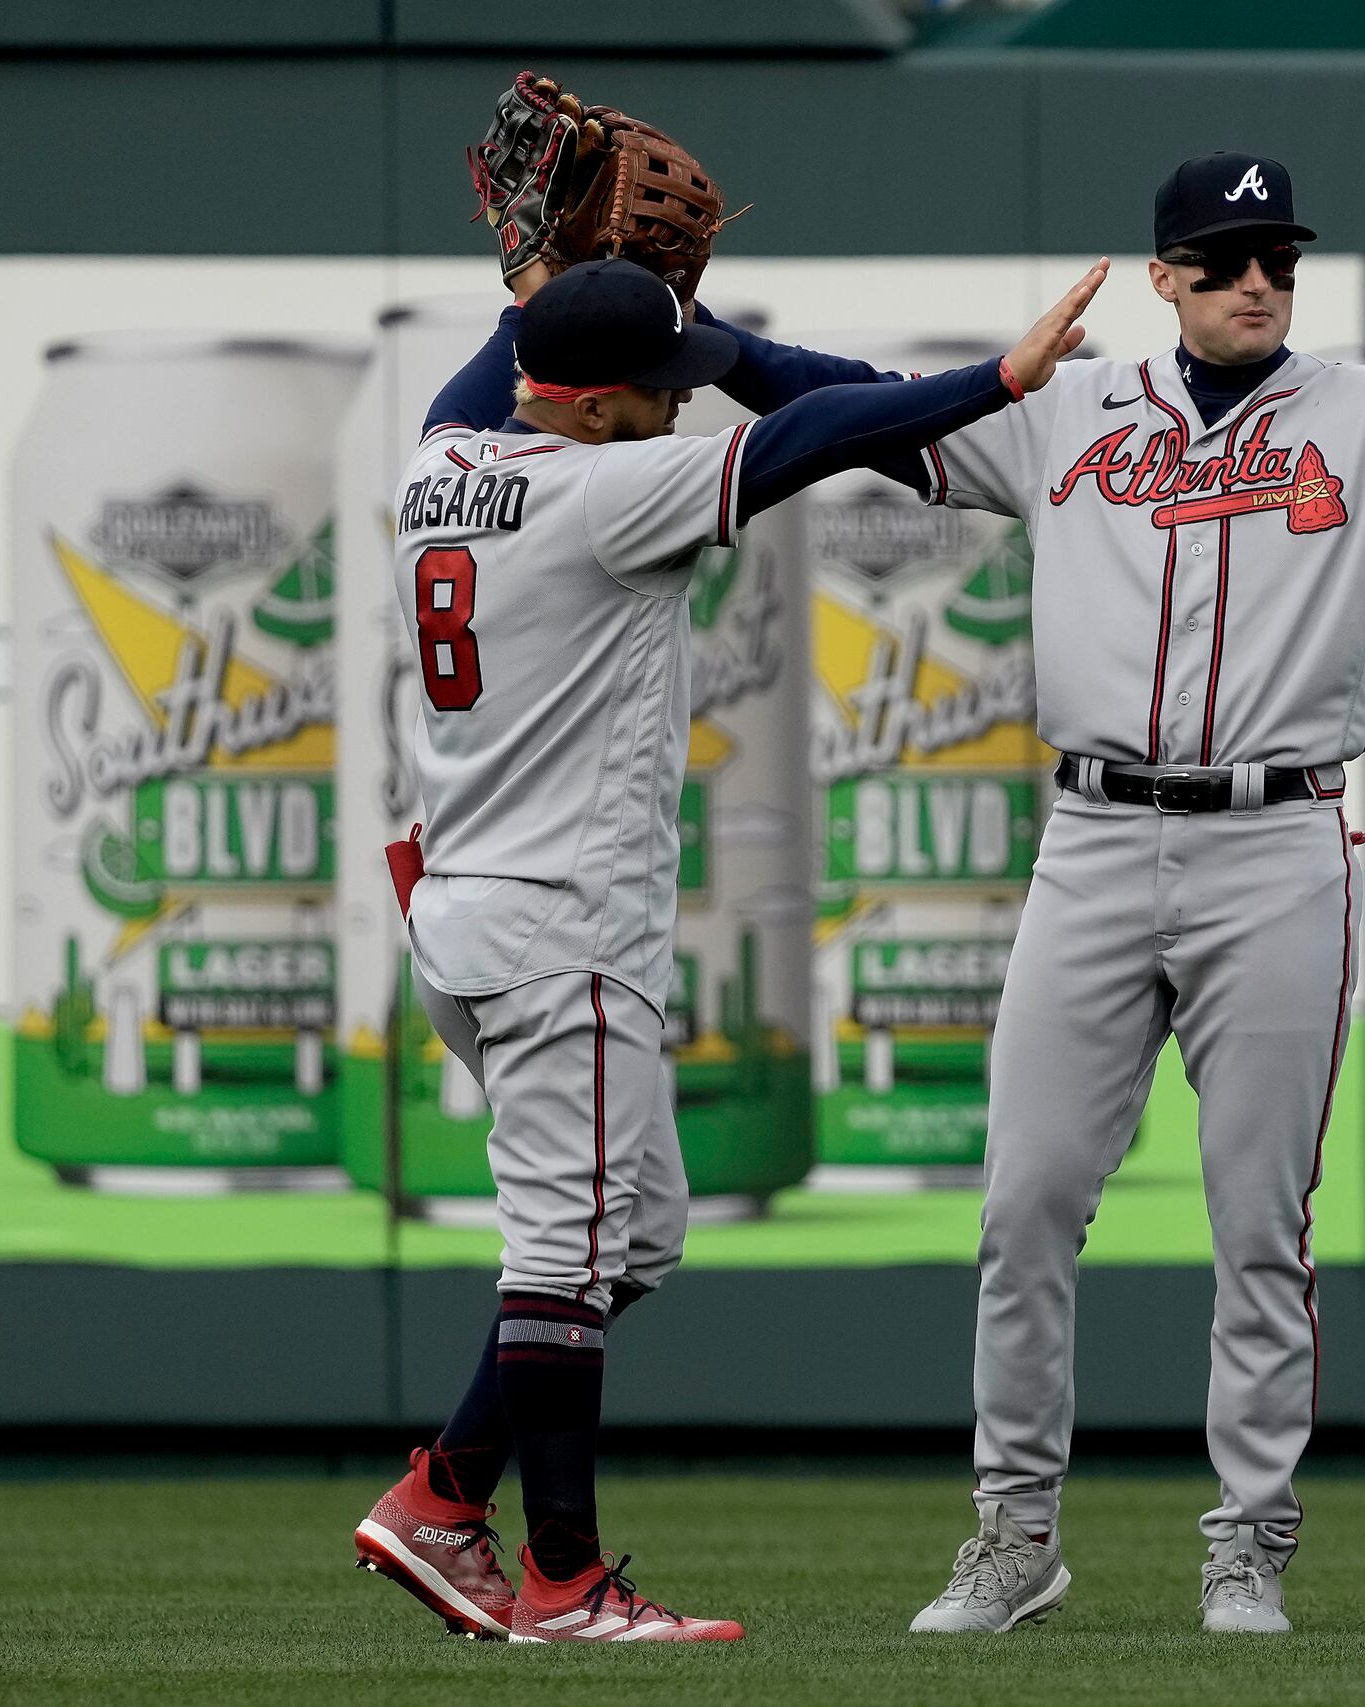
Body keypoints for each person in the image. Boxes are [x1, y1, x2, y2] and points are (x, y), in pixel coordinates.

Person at [865, 152, 1365, 1638]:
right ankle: (1011, 1533)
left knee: (1258, 1223)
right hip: (1093, 840)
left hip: (1278, 845)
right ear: (1163, 276)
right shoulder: (1065, 409)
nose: (1257, 281)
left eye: (1278, 261)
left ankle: (1246, 1543)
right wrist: (687, 331)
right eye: (1225, 259)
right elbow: (855, 412)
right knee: (1027, 1202)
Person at [352, 252, 1107, 1644]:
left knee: (633, 1233)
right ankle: (565, 1588)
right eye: (655, 393)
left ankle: (445, 1495)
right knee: (564, 1257)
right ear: (585, 409)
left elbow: (509, 365)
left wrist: (532, 275)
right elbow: (811, 438)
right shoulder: (601, 490)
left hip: (470, 910)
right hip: (553, 924)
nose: (676, 412)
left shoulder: (437, 465)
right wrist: (1000, 383)